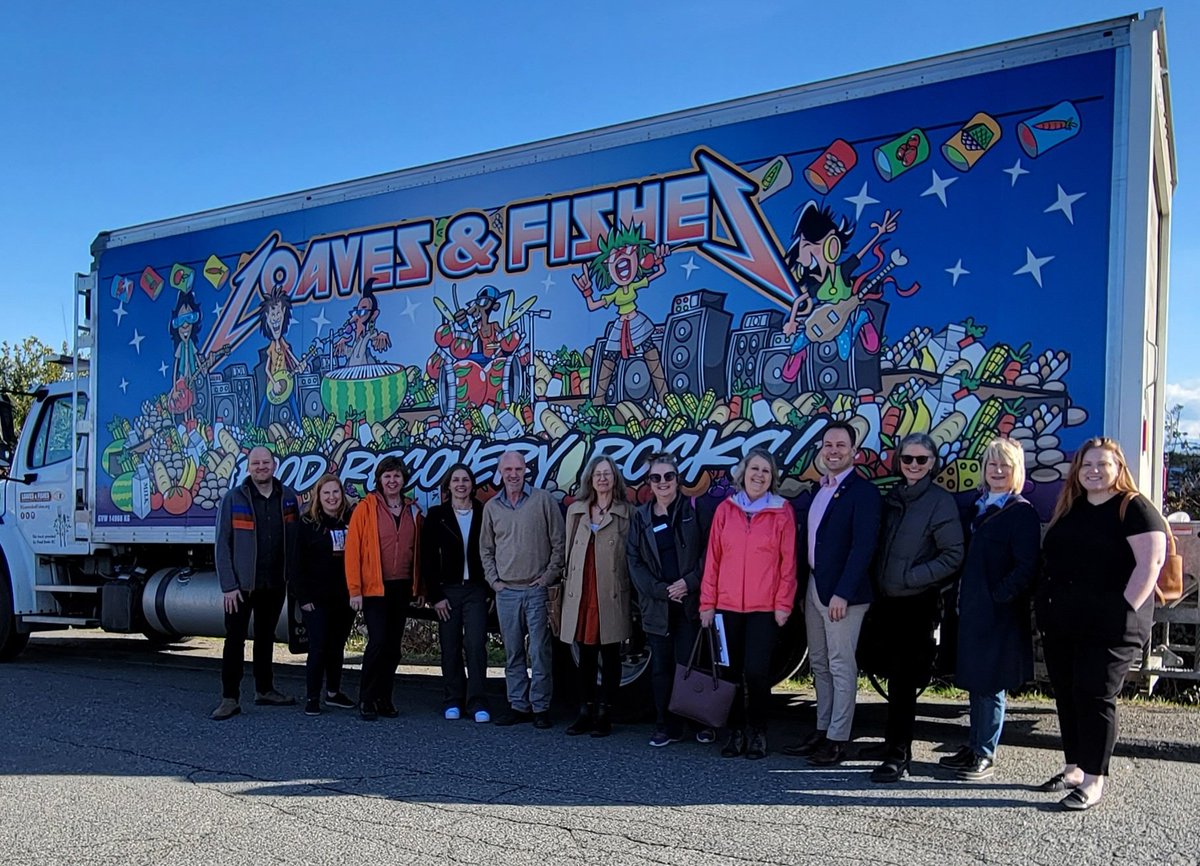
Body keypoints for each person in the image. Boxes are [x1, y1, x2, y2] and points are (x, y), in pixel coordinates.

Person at [1037, 436, 1168, 811]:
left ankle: (1094, 780)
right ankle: (1074, 768)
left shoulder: (1135, 507)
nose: (1094, 471)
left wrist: (1123, 611)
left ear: (1118, 469)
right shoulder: (1072, 507)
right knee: (1068, 692)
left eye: (1102, 464)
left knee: (1095, 694)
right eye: (1087, 464)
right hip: (1064, 621)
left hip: (1113, 624)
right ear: (1077, 471)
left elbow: (1150, 565)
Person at [862, 433, 964, 782]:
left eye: (922, 460)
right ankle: (889, 741)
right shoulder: (894, 497)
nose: (914, 466)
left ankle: (899, 755)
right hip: (887, 602)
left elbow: (953, 555)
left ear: (933, 463)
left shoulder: (939, 502)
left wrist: (911, 576)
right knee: (890, 675)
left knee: (905, 681)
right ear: (899, 461)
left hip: (916, 603)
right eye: (908, 459)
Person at [939, 437, 1040, 782]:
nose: (997, 471)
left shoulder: (1020, 512)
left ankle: (985, 752)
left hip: (998, 613)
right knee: (974, 680)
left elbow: (1026, 567)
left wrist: (998, 598)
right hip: (970, 608)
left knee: (991, 683)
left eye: (1004, 466)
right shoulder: (977, 507)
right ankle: (972, 744)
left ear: (1016, 472)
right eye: (992, 465)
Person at [786, 420, 881, 765]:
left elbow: (863, 547)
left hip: (843, 594)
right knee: (820, 663)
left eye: (841, 445)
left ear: (854, 452)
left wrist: (843, 592)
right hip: (814, 587)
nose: (834, 451)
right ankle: (822, 729)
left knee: (841, 665)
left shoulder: (863, 493)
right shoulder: (820, 490)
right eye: (828, 445)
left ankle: (839, 739)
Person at [700, 448, 797, 759]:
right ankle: (735, 732)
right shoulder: (725, 510)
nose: (759, 475)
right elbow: (712, 560)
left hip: (763, 609)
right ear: (742, 474)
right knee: (729, 673)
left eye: (766, 471)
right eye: (754, 469)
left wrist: (784, 603)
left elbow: (788, 563)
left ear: (772, 479)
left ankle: (758, 732)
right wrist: (707, 603)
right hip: (726, 608)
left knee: (756, 673)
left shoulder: (782, 511)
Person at [627, 453, 713, 747]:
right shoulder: (640, 517)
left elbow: (709, 553)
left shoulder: (694, 509)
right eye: (656, 477)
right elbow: (633, 561)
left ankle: (701, 724)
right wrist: (662, 590)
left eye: (668, 476)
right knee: (661, 668)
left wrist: (688, 583)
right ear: (649, 483)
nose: (662, 483)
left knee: (691, 665)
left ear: (678, 479)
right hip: (658, 605)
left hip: (689, 602)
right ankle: (665, 725)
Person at [211, 446, 301, 720]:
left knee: (265, 638)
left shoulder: (287, 497)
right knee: (235, 640)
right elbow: (222, 544)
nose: (261, 467)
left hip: (274, 582)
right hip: (240, 586)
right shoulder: (233, 498)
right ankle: (229, 698)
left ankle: (265, 689)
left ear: (274, 465)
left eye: (266, 462)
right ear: (248, 467)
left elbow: (295, 539)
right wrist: (228, 585)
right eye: (255, 463)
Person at [480, 449, 566, 728]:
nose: (514, 475)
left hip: (537, 590)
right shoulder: (493, 507)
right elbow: (486, 549)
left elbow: (559, 542)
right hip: (507, 592)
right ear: (500, 473)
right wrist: (495, 582)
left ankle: (540, 707)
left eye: (518, 469)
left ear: (525, 470)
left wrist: (547, 577)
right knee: (513, 651)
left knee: (540, 651)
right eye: (508, 470)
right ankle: (518, 704)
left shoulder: (542, 501)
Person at [560, 456, 633, 738]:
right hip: (581, 591)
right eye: (598, 474)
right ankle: (584, 711)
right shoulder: (577, 511)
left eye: (608, 474)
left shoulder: (626, 513)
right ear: (590, 478)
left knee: (611, 655)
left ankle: (605, 712)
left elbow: (631, 555)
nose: (603, 479)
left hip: (610, 593)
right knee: (585, 655)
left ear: (615, 479)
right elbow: (568, 552)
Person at [346, 456, 424, 721]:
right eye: (387, 476)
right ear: (379, 479)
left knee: (393, 647)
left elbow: (419, 553)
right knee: (378, 643)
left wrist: (420, 587)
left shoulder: (413, 510)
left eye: (397, 476)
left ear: (404, 480)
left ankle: (384, 698)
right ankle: (366, 698)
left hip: (401, 587)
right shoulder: (365, 509)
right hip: (373, 589)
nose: (392, 481)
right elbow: (353, 551)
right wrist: (354, 589)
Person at [421, 463, 493, 723]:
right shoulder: (436, 515)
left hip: (475, 590)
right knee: (449, 647)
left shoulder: (484, 513)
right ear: (448, 486)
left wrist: (489, 589)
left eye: (465, 480)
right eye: (456, 480)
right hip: (447, 592)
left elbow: (492, 550)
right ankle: (452, 699)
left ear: (472, 485)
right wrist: (435, 595)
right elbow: (427, 558)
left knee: (475, 645)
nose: (461, 484)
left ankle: (477, 702)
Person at [292, 474, 357, 716]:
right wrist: (303, 597)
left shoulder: (352, 520)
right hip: (315, 599)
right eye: (326, 493)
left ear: (342, 495)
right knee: (318, 646)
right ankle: (312, 697)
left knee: (336, 646)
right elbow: (296, 564)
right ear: (318, 496)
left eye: (336, 492)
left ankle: (333, 693)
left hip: (344, 596)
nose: (332, 497)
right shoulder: (307, 523)